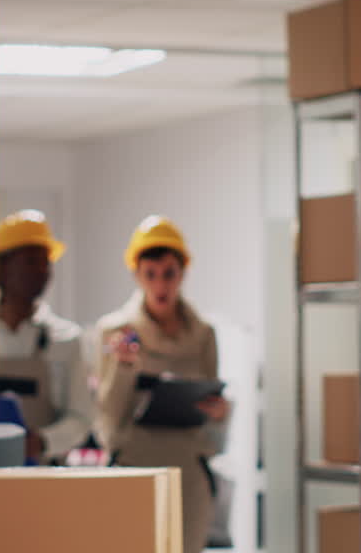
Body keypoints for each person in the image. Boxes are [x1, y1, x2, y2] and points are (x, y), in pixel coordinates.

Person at [92, 215, 230, 553]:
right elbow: (106, 419)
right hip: (133, 468)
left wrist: (219, 413)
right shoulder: (116, 331)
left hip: (188, 471)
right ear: (137, 275)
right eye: (150, 274)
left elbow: (212, 411)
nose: (160, 285)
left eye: (169, 273)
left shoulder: (203, 335)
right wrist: (123, 368)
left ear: (182, 273)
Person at [0, 209, 94, 464]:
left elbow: (82, 418)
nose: (42, 271)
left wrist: (43, 441)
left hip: (45, 475)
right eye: (30, 261)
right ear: (0, 269)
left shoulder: (66, 339)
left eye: (46, 262)